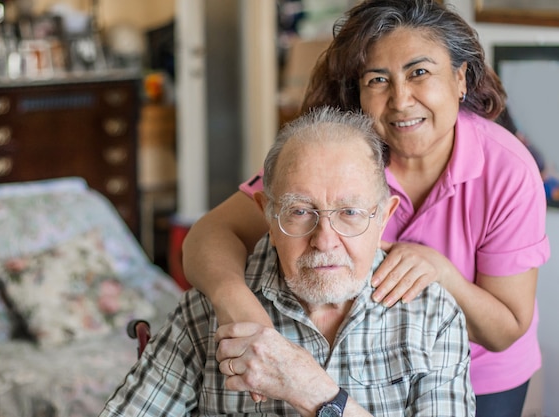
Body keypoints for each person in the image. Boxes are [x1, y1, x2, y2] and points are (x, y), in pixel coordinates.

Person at [181, 1, 550, 416]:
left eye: (419, 72)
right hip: (357, 372)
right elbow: (207, 235)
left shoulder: (507, 168)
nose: (401, 99)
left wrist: (440, 271)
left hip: (482, 379)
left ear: (460, 79)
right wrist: (237, 303)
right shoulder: (337, 159)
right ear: (357, 92)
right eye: (378, 79)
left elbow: (507, 330)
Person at [99, 107, 475, 416]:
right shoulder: (208, 311)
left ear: (383, 217)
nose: (325, 239)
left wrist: (312, 391)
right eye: (299, 211)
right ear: (267, 213)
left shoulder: (432, 316)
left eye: (349, 212)